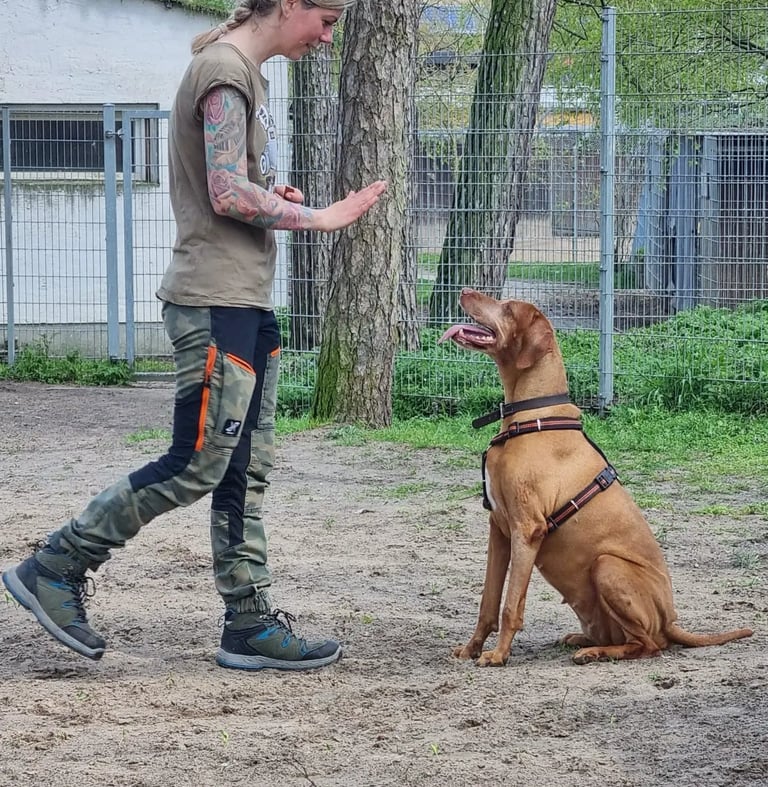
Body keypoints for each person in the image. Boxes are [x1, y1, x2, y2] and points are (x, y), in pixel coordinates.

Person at [2, 0, 387, 672]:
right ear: (289, 5)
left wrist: (279, 195)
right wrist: (321, 218)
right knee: (197, 462)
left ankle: (248, 622)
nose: (328, 37)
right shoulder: (224, 69)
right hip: (213, 301)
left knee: (244, 467)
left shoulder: (241, 73)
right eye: (324, 19)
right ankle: (55, 563)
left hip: (241, 297)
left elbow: (239, 184)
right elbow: (227, 192)